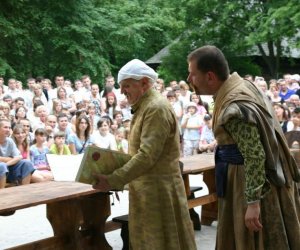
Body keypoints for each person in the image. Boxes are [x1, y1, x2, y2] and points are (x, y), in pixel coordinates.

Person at [187, 45, 300, 249]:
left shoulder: (234, 108)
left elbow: (254, 155)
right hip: (245, 178)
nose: (189, 80)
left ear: (210, 76)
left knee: (250, 240)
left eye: (193, 74)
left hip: (248, 184)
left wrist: (253, 203)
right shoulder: (243, 85)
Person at [93, 59, 196, 250]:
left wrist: (114, 179)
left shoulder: (155, 108)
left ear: (144, 83)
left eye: (127, 86)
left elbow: (147, 155)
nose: (122, 91)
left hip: (159, 190)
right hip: (148, 189)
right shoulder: (146, 105)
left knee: (162, 242)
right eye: (121, 86)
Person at [0, 119, 35, 185]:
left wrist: (6, 164)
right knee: (1, 166)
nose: (8, 129)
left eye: (9, 127)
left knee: (27, 163)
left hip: (9, 168)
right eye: (5, 127)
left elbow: (19, 157)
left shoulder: (9, 141)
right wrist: (8, 161)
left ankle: (25, 190)